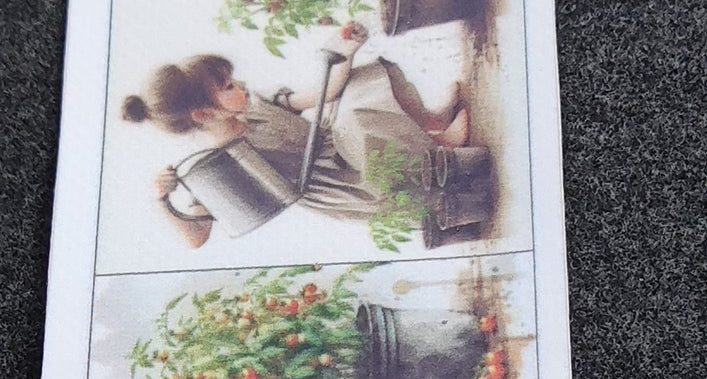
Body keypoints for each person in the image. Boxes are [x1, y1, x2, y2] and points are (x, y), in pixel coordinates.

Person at [123, 51, 469, 247]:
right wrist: (162, 200)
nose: (240, 85)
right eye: (228, 87)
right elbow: (196, 239)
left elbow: (326, 92)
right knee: (358, 126)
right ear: (204, 114)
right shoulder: (220, 168)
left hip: (335, 141)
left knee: (360, 82)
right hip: (344, 181)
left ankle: (432, 121)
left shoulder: (255, 104)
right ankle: (439, 151)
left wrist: (346, 52)